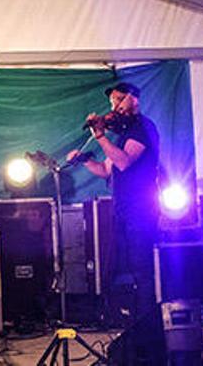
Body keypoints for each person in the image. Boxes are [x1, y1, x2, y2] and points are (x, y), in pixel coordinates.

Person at [67, 82, 165, 363]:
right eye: (112, 103)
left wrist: (99, 136)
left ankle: (146, 330)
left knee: (142, 271)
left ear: (134, 99)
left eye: (119, 100)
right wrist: (85, 159)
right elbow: (106, 169)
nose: (114, 108)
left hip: (142, 209)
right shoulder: (121, 134)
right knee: (125, 270)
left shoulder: (142, 129)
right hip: (123, 210)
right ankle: (132, 329)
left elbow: (123, 162)